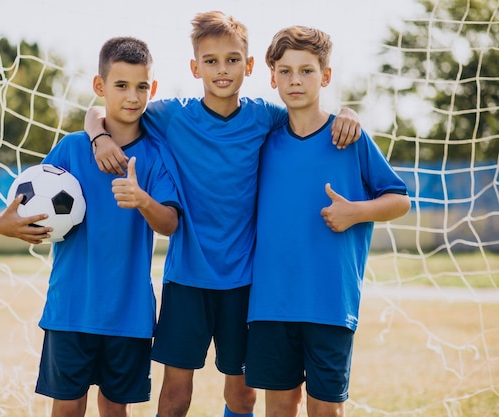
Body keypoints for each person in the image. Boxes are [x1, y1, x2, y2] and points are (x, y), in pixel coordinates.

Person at [85, 12, 361, 417]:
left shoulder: (265, 117)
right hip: (187, 279)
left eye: (232, 59)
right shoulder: (172, 116)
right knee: (176, 394)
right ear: (195, 67)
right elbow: (104, 108)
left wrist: (349, 112)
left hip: (245, 282)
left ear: (249, 66)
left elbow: (310, 112)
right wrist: (98, 135)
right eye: (210, 61)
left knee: (243, 395)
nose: (222, 70)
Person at [0, 36, 181, 417]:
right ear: (100, 87)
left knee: (115, 410)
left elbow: (170, 224)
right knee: (66, 408)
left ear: (153, 88)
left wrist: (141, 199)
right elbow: (20, 209)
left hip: (128, 314)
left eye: (141, 86)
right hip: (71, 308)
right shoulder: (71, 149)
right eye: (121, 85)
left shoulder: (156, 155)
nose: (133, 96)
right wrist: (6, 224)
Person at [245, 26, 411, 417]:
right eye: (285, 71)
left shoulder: (349, 138)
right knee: (279, 409)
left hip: (329, 303)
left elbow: (399, 200)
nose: (295, 80)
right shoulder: (263, 139)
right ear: (272, 77)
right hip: (270, 303)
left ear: (326, 76)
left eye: (306, 70)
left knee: (325, 411)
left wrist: (358, 211)